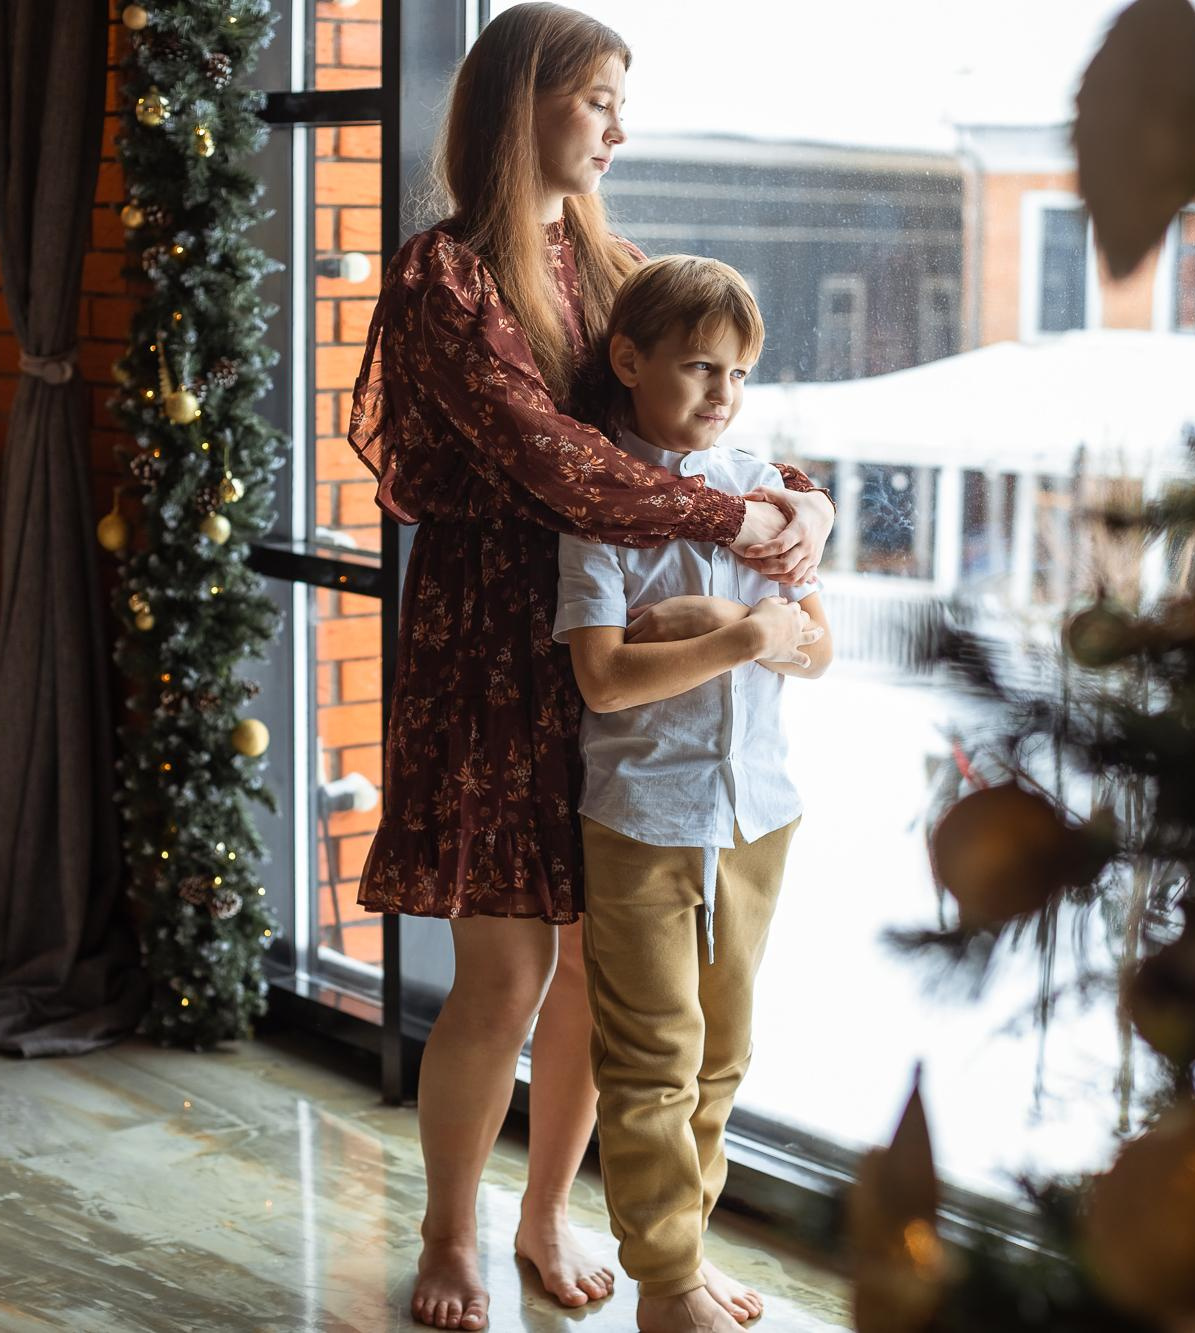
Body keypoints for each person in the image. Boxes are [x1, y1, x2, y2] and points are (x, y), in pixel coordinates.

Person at [343, 6, 836, 1329]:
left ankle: (548, 1211)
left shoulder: (608, 263)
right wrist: (738, 526)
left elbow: (680, 426)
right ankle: (450, 1232)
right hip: (489, 659)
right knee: (504, 978)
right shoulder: (441, 274)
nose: (622, 125)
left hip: (609, 647)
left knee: (599, 978)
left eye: (626, 99)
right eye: (599, 98)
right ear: (524, 107)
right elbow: (558, 463)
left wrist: (799, 503)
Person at [554, 254, 832, 1333]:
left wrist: (732, 632)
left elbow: (819, 650)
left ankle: (688, 1251)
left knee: (722, 1050)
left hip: (758, 808)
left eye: (739, 373)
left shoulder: (766, 497)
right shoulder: (602, 509)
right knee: (655, 1055)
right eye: (697, 368)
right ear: (628, 361)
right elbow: (605, 677)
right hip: (639, 814)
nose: (722, 395)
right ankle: (662, 1285)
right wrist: (756, 634)